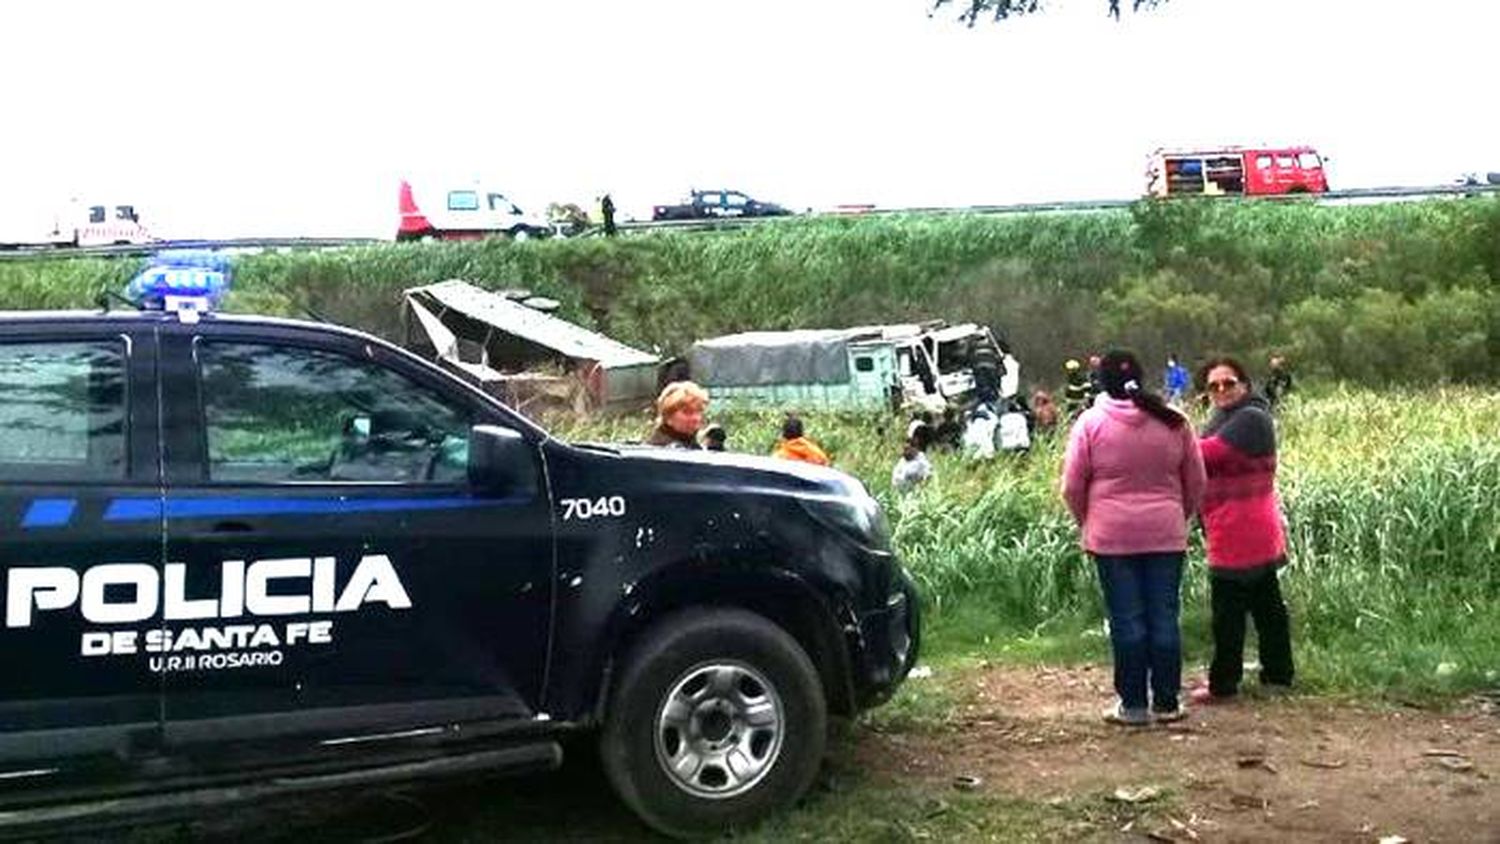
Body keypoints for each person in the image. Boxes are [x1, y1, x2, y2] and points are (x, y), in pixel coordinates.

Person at [1061, 350, 1206, 726]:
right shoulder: (1175, 421)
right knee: (1164, 616)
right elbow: (1197, 481)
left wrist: (1089, 522)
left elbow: (1072, 486)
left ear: (1101, 382)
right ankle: (1168, 702)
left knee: (1127, 620)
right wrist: (1178, 514)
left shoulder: (1090, 422)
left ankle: (1134, 706)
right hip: (1165, 533)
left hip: (1112, 537)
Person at [1191, 357, 1294, 705]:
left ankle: (1224, 684)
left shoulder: (1251, 418)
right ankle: (1278, 675)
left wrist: (1167, 439)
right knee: (1267, 605)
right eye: (1213, 385)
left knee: (1229, 613)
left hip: (1242, 528)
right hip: (1236, 524)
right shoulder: (1223, 418)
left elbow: (1206, 454)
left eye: (1228, 382)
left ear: (1245, 385)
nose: (1221, 390)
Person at [646, 381, 708, 448]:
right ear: (668, 416)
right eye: (687, 412)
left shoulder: (692, 446)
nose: (696, 418)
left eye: (699, 411)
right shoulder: (664, 450)